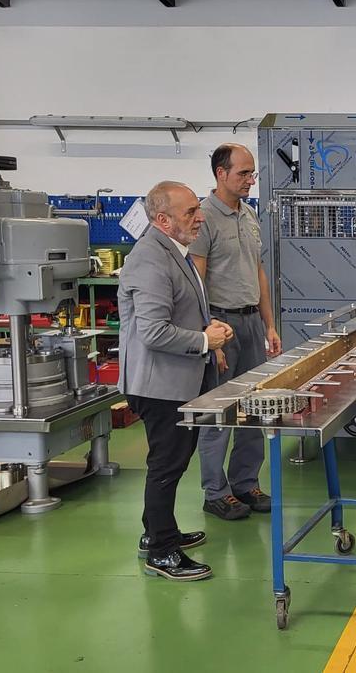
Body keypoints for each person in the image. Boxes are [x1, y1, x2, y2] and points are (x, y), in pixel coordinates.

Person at [118, 181, 235, 581]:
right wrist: (204, 339)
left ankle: (157, 534)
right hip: (159, 385)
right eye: (190, 212)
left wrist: (208, 332)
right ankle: (162, 553)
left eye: (197, 209)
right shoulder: (150, 259)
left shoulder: (174, 251)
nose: (199, 217)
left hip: (177, 379)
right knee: (166, 466)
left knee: (173, 462)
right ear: (163, 219)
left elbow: (181, 311)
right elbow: (152, 332)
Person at [189, 143, 281, 521]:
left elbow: (258, 271)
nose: (250, 180)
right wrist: (209, 335)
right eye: (243, 173)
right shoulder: (203, 218)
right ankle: (216, 491)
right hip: (220, 323)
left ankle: (246, 483)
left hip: (250, 321)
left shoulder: (249, 214)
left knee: (254, 408)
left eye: (252, 173)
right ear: (220, 174)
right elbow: (196, 278)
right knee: (220, 411)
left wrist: (269, 324)